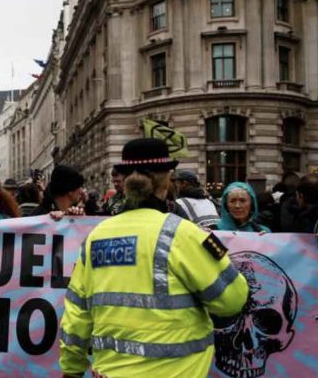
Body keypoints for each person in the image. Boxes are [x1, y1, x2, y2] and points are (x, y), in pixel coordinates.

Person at [60, 138, 249, 377]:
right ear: (166, 180)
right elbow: (232, 300)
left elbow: (76, 316)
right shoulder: (184, 235)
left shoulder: (95, 238)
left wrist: (71, 370)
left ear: (125, 181)